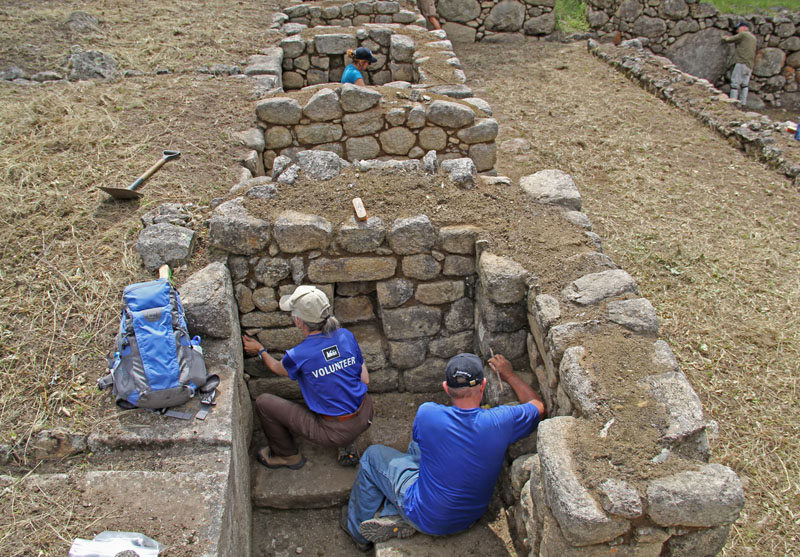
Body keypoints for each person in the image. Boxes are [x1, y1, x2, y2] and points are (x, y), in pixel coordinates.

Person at [340, 352, 545, 551]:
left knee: (372, 456)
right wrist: (509, 374)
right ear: (483, 385)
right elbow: (537, 406)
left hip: (426, 516)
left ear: (446, 388)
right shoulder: (501, 421)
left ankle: (358, 532)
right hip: (470, 517)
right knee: (418, 448)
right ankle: (395, 515)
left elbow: (421, 437)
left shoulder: (428, 414)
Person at [242, 285, 373, 470]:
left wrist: (260, 350)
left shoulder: (299, 355)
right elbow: (365, 380)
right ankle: (348, 439)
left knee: (264, 403)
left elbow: (275, 367)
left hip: (334, 431)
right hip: (365, 415)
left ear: (298, 321)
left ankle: (287, 456)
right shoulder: (345, 336)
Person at [723, 21, 757, 106]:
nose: (738, 30)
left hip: (741, 62)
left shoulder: (743, 35)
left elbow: (730, 40)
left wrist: (725, 38)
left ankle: (732, 103)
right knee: (744, 84)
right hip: (749, 64)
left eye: (739, 28)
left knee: (735, 83)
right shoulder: (753, 37)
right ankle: (743, 103)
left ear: (745, 27)